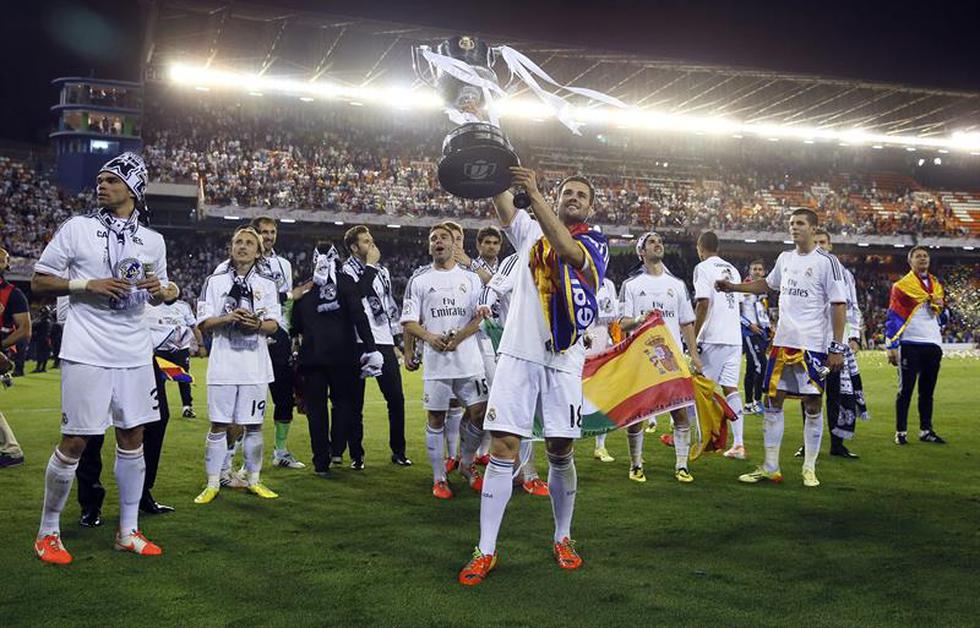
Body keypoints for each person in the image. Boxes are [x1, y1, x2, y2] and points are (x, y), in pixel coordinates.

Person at [458, 169, 608, 586]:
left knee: (560, 451)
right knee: (504, 447)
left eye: (581, 194)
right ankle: (485, 549)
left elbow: (568, 252)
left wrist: (536, 195)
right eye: (568, 193)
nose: (574, 198)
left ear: (590, 206)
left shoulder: (595, 241)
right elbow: (503, 201)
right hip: (518, 354)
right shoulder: (528, 231)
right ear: (558, 199)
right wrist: (493, 162)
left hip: (563, 359)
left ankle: (563, 536)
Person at [32, 152, 167, 563]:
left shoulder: (153, 241)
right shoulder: (78, 228)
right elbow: (40, 281)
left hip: (134, 350)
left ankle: (128, 531)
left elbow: (156, 294)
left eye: (111, 179)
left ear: (133, 189)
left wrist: (160, 290)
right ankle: (47, 532)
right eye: (100, 179)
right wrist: (86, 284)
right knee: (75, 440)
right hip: (86, 348)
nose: (101, 185)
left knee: (133, 437)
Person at [716, 208, 848, 488]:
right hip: (783, 341)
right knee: (772, 401)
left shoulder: (828, 261)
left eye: (799, 223)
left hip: (813, 345)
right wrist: (733, 288)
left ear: (813, 228)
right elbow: (767, 284)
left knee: (813, 404)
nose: (794, 227)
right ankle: (770, 467)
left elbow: (839, 304)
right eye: (791, 223)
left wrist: (837, 347)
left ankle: (809, 468)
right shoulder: (785, 258)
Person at [193, 226, 282, 505]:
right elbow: (204, 323)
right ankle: (212, 483)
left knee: (254, 425)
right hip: (223, 364)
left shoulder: (268, 284)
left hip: (255, 365)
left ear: (258, 252)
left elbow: (274, 325)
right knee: (219, 424)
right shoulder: (214, 281)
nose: (242, 247)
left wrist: (256, 323)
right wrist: (228, 318)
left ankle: (254, 480)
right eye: (238, 242)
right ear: (231, 248)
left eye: (248, 243)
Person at [401, 225, 487, 499]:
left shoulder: (472, 279)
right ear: (429, 247)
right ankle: (439, 478)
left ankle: (466, 462)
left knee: (480, 414)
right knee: (436, 417)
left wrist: (460, 336)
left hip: (468, 358)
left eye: (443, 238)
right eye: (433, 239)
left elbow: (480, 316)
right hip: (437, 360)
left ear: (454, 245)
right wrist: (428, 338)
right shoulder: (420, 280)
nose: (438, 242)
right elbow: (409, 321)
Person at [618, 232, 701, 484]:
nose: (658, 244)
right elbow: (623, 323)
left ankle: (682, 465)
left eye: (660, 241)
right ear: (641, 252)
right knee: (637, 415)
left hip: (672, 359)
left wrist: (694, 355)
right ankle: (636, 464)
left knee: (680, 414)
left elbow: (687, 322)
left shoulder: (676, 285)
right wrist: (639, 320)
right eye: (651, 242)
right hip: (641, 358)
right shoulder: (630, 285)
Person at [295, 241, 381, 476]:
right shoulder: (345, 282)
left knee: (317, 411)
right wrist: (371, 348)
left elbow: (296, 326)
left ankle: (320, 462)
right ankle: (336, 449)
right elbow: (359, 317)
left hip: (312, 357)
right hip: (343, 356)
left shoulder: (305, 289)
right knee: (342, 405)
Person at [478, 252, 549, 496]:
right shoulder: (515, 260)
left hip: (549, 353)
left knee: (546, 418)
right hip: (516, 351)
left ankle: (519, 470)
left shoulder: (557, 255)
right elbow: (492, 288)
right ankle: (527, 474)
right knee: (519, 416)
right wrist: (485, 303)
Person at [341, 225, 411, 468]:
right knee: (354, 403)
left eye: (372, 240)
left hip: (383, 341)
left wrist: (395, 342)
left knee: (396, 400)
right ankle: (356, 456)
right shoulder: (344, 271)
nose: (371, 245)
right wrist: (370, 266)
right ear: (353, 247)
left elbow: (388, 306)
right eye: (365, 241)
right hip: (357, 342)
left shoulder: (383, 271)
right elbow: (358, 294)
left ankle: (399, 451)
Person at [793, 230, 866, 458]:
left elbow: (851, 307)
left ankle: (838, 445)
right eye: (816, 243)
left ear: (831, 245)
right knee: (809, 395)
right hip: (810, 343)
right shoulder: (805, 270)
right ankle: (809, 443)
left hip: (835, 344)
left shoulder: (843, 274)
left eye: (823, 242)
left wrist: (852, 337)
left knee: (837, 395)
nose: (820, 246)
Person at [692, 232, 746, 460]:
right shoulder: (733, 269)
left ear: (700, 248)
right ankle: (739, 444)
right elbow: (739, 304)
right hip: (734, 337)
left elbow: (703, 303)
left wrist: (693, 337)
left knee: (700, 389)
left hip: (712, 337)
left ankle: (703, 439)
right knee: (730, 388)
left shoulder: (702, 268)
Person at [885, 246, 947, 445]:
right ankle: (901, 432)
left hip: (933, 343)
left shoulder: (936, 285)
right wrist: (892, 345)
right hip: (910, 343)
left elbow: (943, 318)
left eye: (925, 256)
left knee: (927, 391)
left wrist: (941, 305)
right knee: (906, 390)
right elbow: (893, 317)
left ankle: (926, 430)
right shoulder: (902, 286)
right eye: (918, 256)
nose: (923, 258)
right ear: (910, 262)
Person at [146, 286, 204, 420]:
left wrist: (201, 345)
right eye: (165, 288)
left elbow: (194, 326)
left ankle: (187, 407)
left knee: (183, 377)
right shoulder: (153, 306)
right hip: (160, 349)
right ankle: (158, 407)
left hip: (180, 349)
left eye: (171, 289)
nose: (167, 290)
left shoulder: (183, 306)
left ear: (177, 293)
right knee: (158, 380)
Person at [0, 247, 31, 468]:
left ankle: (12, 450)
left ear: (6, 265)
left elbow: (24, 330)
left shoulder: (13, 294)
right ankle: (11, 449)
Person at [590, 275, 620, 463]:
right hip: (577, 342)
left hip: (601, 341)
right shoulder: (572, 276)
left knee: (601, 397)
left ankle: (600, 446)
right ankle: (565, 446)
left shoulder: (607, 284)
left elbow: (613, 316)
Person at [740, 259, 771, 416]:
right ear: (749, 271)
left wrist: (769, 327)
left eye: (760, 269)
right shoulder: (743, 288)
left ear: (764, 272)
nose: (758, 271)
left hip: (761, 332)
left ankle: (748, 404)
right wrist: (749, 324)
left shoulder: (763, 289)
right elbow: (737, 312)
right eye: (755, 269)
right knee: (762, 365)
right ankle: (758, 401)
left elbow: (762, 311)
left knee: (752, 368)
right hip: (749, 332)